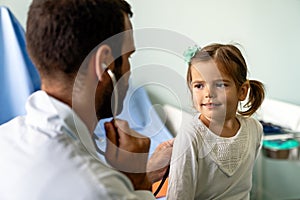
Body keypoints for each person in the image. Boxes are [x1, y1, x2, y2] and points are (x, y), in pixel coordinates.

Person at [0, 0, 173, 199]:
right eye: (128, 57)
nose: (128, 70)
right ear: (103, 63)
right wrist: (138, 183)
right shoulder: (100, 188)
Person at [167, 43, 265, 200]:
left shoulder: (255, 129)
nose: (209, 93)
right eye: (199, 85)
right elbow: (179, 194)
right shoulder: (191, 135)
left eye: (220, 84)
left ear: (242, 91)